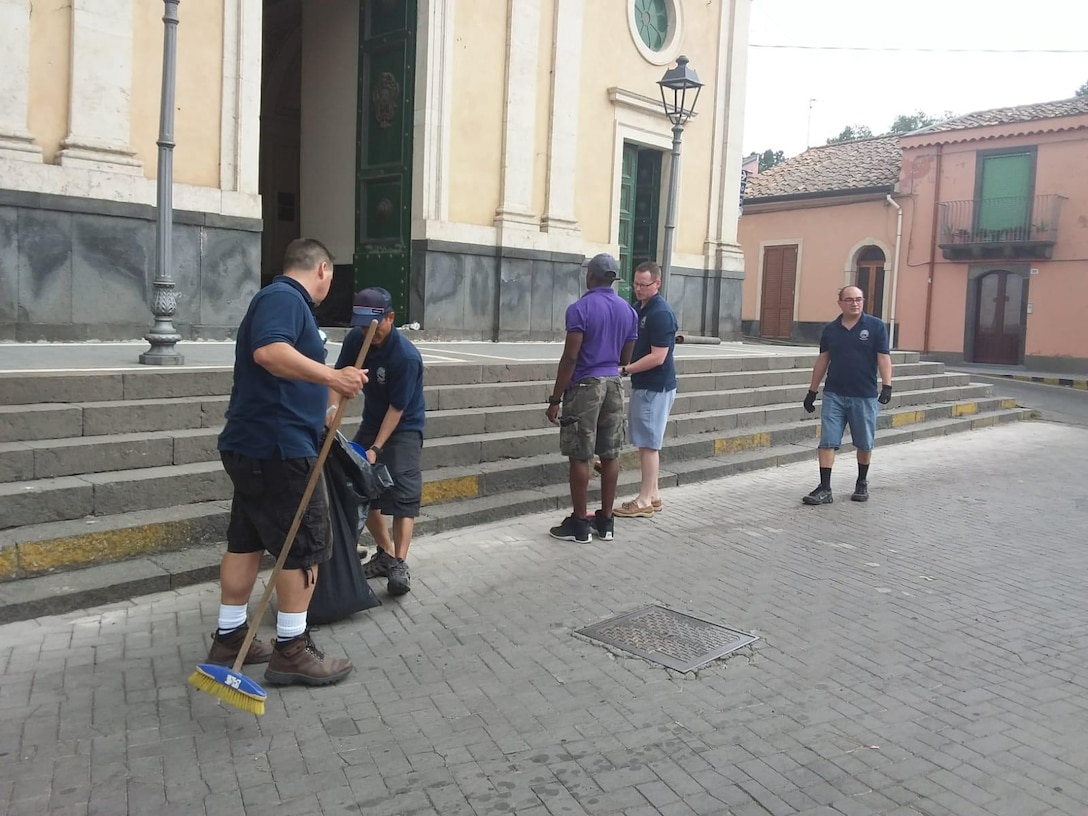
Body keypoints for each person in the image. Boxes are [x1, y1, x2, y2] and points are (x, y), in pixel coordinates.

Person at [212, 238, 365, 686]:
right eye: (330, 276)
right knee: (302, 547)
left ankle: (230, 636)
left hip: (257, 442)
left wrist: (319, 408)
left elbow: (277, 378)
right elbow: (270, 354)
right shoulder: (284, 299)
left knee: (246, 540)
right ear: (322, 269)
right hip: (279, 450)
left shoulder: (277, 300)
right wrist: (332, 375)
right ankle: (292, 650)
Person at [336, 287, 425, 597]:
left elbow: (397, 409)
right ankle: (385, 552)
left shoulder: (406, 357)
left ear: (390, 318)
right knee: (358, 486)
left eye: (374, 325)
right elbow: (339, 380)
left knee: (403, 492)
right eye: (362, 325)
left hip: (404, 426)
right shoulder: (355, 341)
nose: (367, 332)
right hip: (372, 422)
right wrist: (328, 416)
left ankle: (400, 562)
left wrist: (375, 449)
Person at [546, 253, 638, 543]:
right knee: (610, 453)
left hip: (585, 386)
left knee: (580, 454)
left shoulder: (579, 309)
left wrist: (555, 398)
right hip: (613, 383)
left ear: (590, 276)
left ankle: (579, 524)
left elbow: (571, 356)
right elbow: (626, 357)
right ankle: (606, 521)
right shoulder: (628, 311)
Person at [802, 285, 893, 505]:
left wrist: (887, 385)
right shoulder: (831, 330)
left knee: (864, 443)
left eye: (859, 299)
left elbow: (883, 357)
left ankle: (861, 483)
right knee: (827, 441)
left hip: (864, 395)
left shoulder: (876, 326)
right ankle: (825, 489)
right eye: (850, 299)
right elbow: (823, 359)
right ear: (840, 302)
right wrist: (812, 391)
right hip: (835, 394)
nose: (855, 303)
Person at [613, 261, 678, 518]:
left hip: (654, 386)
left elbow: (658, 357)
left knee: (649, 444)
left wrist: (625, 370)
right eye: (636, 284)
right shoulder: (641, 308)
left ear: (657, 284)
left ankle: (643, 501)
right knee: (647, 443)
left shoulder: (660, 313)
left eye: (644, 285)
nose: (638, 289)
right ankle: (654, 494)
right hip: (647, 385)